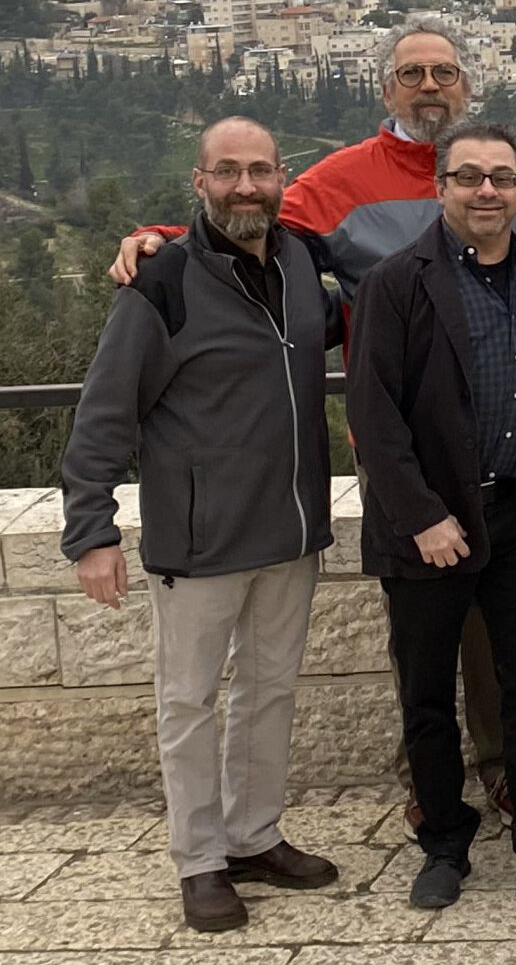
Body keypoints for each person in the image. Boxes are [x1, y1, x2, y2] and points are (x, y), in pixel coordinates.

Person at [108, 15, 516, 834]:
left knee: (504, 650)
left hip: (503, 452)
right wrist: (161, 241)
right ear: (386, 89)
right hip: (406, 456)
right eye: (414, 74)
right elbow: (249, 229)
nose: (431, 87)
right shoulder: (342, 175)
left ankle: (506, 773)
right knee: (424, 646)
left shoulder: (511, 164)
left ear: (466, 86)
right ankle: (434, 790)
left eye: (445, 73)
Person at [60, 118, 343, 933]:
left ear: (283, 175)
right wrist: (93, 531)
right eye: (228, 171)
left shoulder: (298, 260)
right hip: (199, 538)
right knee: (188, 702)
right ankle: (200, 861)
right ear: (199, 181)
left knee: (270, 693)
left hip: (289, 533)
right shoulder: (163, 283)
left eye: (259, 170)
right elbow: (104, 412)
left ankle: (254, 836)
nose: (246, 185)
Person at [345, 121, 516, 915]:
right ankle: (444, 842)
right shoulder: (396, 281)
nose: (487, 191)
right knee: (426, 692)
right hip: (429, 525)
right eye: (469, 177)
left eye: (501, 179)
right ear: (440, 187)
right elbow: (372, 411)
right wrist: (423, 516)